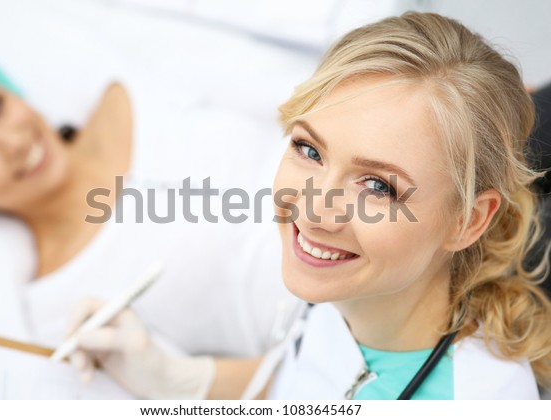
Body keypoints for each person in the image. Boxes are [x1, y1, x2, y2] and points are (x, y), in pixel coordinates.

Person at [67, 12, 551, 399]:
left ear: (467, 220)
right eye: (309, 150)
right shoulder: (359, 294)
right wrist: (174, 379)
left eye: (378, 186)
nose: (315, 210)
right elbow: (315, 383)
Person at [0, 50, 296, 399]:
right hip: (332, 330)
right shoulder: (65, 312)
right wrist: (185, 383)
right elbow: (280, 390)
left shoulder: (129, 88)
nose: (12, 143)